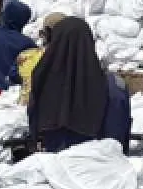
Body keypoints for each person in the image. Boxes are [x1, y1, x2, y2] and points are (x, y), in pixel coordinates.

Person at [28, 16, 132, 153]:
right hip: (102, 164)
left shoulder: (41, 78)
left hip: (54, 164)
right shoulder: (114, 87)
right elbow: (117, 135)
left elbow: (34, 127)